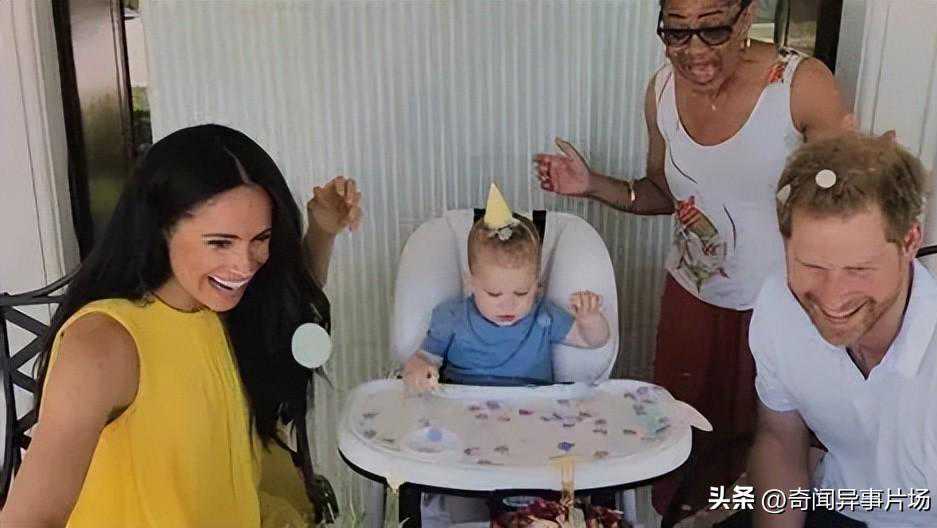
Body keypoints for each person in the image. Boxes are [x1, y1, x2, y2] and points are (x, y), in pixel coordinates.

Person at [533, 0, 849, 521]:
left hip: (785, 308)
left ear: (746, 17)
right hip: (693, 301)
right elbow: (665, 192)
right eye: (677, 33)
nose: (694, 51)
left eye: (713, 29)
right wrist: (591, 185)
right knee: (686, 445)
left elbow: (845, 206)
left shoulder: (801, 87)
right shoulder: (660, 90)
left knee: (776, 451)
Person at [0, 124, 362, 527]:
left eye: (260, 238)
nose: (244, 265)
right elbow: (28, 519)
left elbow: (289, 296)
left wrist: (322, 230)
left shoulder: (220, 305)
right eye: (220, 243)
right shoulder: (105, 342)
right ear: (162, 228)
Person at [744, 134, 937, 528]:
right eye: (812, 266)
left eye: (858, 270)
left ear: (909, 242)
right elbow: (780, 437)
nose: (832, 299)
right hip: (838, 503)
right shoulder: (777, 302)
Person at [403, 186, 610, 391]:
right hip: (463, 403)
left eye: (522, 293)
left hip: (531, 405)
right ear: (471, 283)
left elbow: (591, 341)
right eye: (494, 294)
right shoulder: (453, 317)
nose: (508, 304)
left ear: (537, 285)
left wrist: (590, 319)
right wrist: (420, 370)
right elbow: (421, 358)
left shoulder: (543, 317)